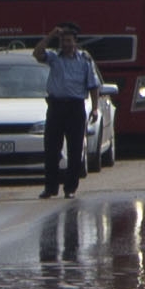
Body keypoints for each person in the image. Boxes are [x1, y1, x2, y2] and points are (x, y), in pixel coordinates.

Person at [40, 38, 101, 196]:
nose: (66, 45)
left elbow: (93, 85)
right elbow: (37, 53)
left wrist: (95, 108)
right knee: (51, 149)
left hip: (75, 107)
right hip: (56, 107)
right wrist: (51, 35)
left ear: (75, 42)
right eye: (63, 41)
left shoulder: (85, 60)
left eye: (69, 41)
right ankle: (50, 188)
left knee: (75, 150)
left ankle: (70, 188)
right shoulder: (54, 57)